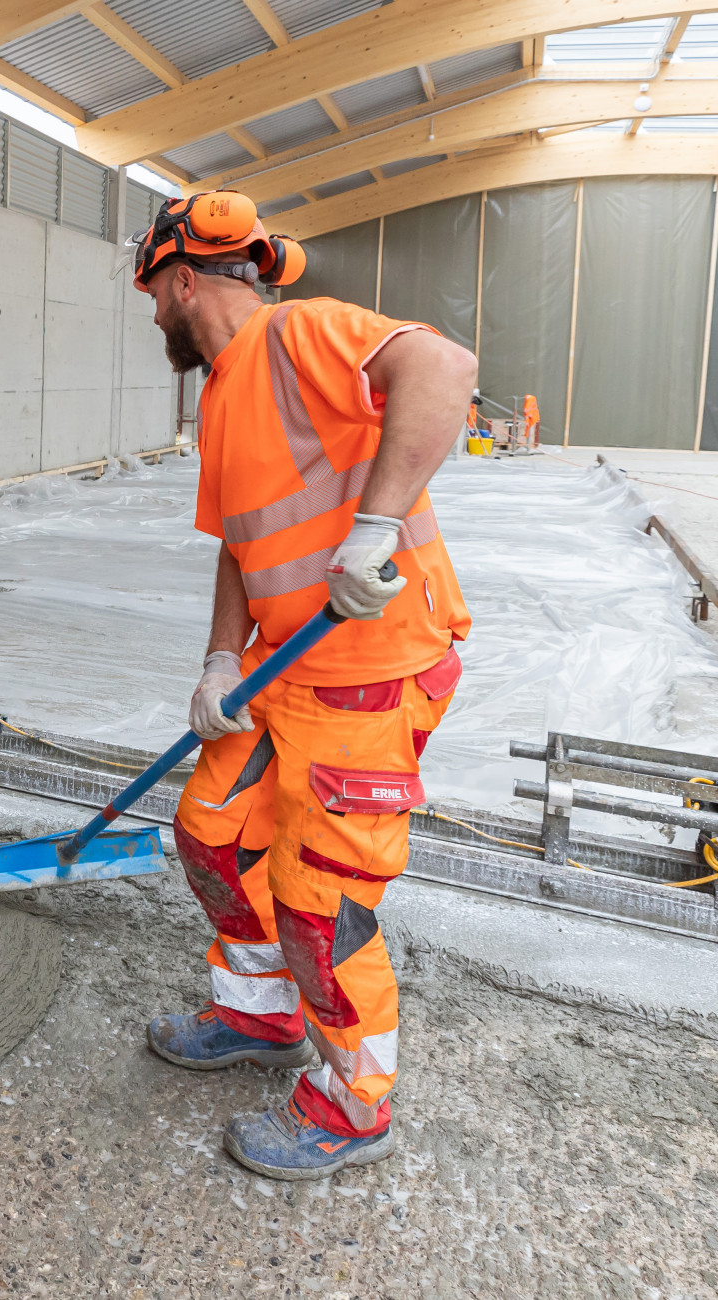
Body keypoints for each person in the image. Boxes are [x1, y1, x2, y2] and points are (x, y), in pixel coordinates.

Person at [132, 192, 475, 1180]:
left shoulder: (300, 335)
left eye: (153, 292)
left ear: (184, 279)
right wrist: (219, 662)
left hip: (368, 673)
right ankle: (259, 1011)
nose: (153, 313)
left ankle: (353, 1104)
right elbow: (241, 548)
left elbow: (442, 369)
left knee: (317, 904)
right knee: (211, 835)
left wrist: (375, 527)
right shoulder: (221, 397)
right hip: (281, 675)